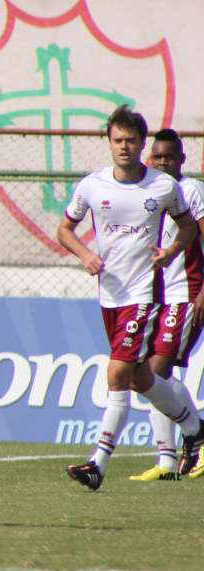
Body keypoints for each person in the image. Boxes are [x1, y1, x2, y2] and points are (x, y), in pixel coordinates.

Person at [57, 105, 204, 490]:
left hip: (144, 293)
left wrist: (170, 253)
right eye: (118, 140)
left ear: (142, 144)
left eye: (131, 140)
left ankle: (98, 464)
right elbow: (64, 229)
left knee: (118, 372)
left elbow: (188, 228)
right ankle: (194, 427)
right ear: (109, 142)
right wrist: (85, 254)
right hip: (110, 294)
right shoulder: (92, 185)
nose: (124, 147)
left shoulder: (162, 186)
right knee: (140, 377)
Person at [128, 128, 204, 480]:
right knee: (146, 374)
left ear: (181, 159)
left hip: (185, 294)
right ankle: (167, 461)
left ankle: (196, 433)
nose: (162, 162)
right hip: (154, 296)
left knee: (153, 374)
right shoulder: (152, 192)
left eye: (169, 157)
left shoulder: (191, 191)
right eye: (157, 157)